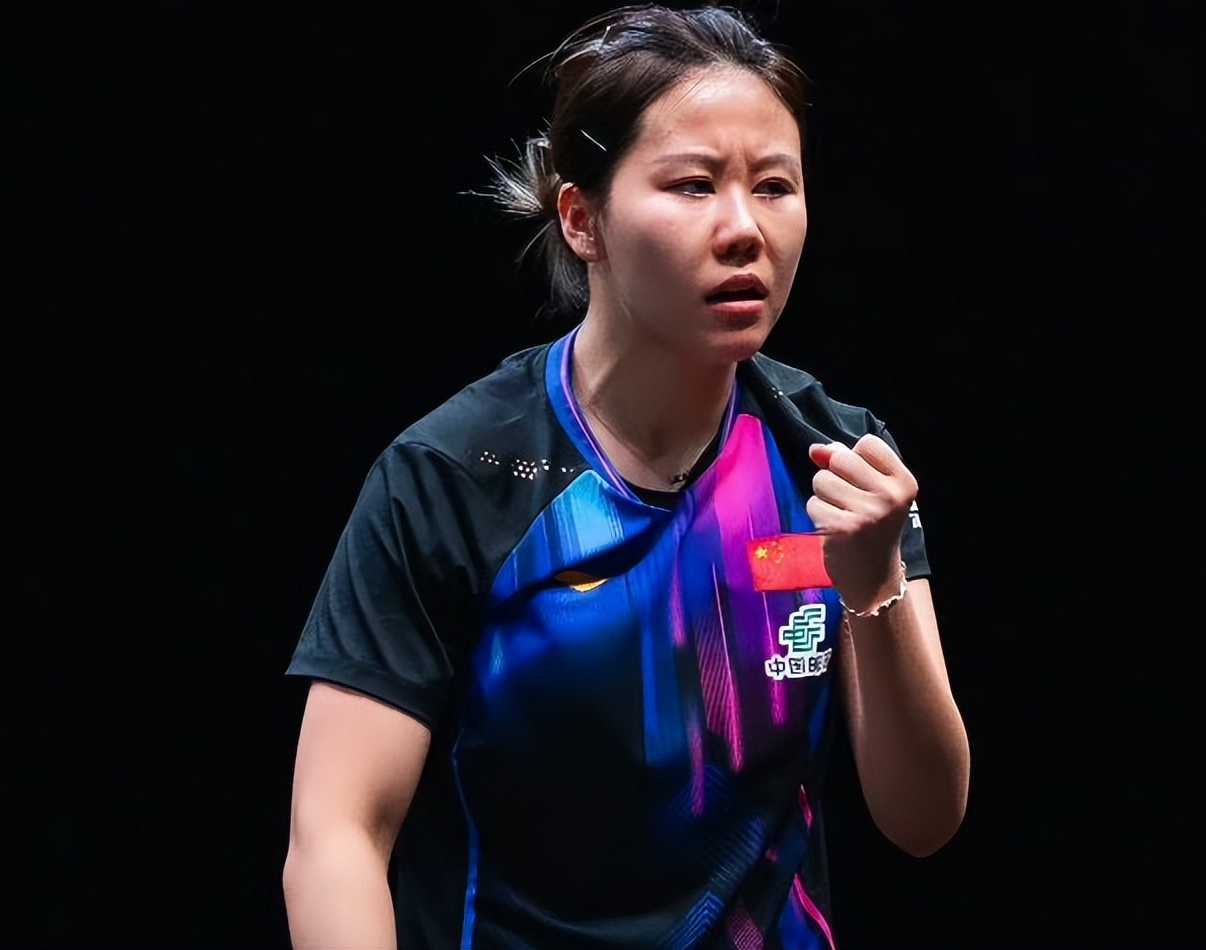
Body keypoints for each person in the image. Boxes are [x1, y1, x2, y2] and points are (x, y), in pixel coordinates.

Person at [282, 4, 971, 948]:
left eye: (775, 186)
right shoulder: (455, 477)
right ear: (582, 219)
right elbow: (338, 835)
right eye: (693, 186)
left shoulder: (836, 463)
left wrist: (873, 584)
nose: (744, 229)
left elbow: (924, 818)